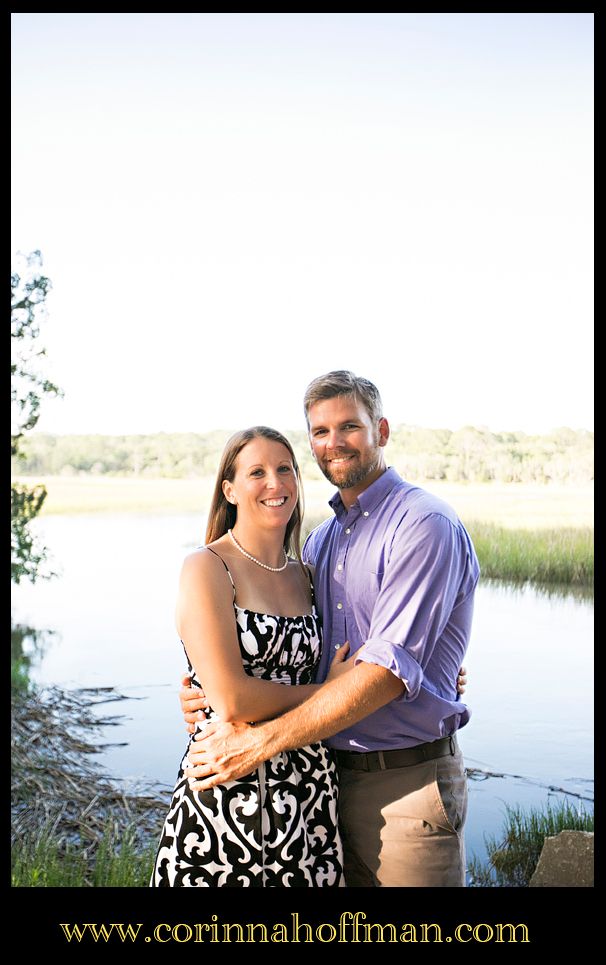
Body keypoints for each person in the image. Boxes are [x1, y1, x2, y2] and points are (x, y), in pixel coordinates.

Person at [181, 371, 480, 887]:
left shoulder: (422, 524)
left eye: (349, 427)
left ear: (381, 431)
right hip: (318, 786)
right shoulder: (321, 545)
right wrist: (206, 692)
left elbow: (386, 674)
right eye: (320, 432)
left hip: (403, 786)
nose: (334, 442)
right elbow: (288, 657)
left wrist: (261, 741)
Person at [151, 426, 345, 887]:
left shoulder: (311, 576)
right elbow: (232, 699)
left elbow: (373, 652)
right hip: (227, 793)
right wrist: (332, 693)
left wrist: (440, 672)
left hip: (310, 794)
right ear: (230, 490)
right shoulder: (207, 567)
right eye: (256, 472)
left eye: (285, 469)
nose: (275, 483)